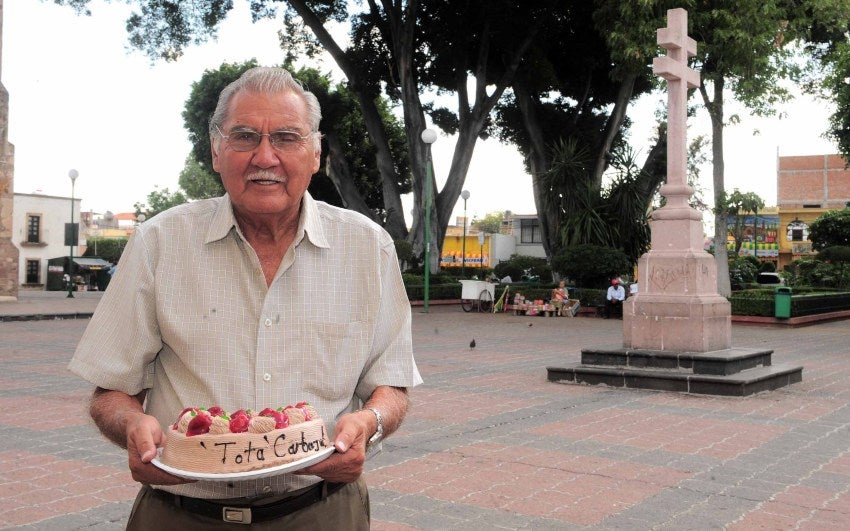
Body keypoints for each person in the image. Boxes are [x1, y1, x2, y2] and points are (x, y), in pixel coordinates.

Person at [68, 66, 422, 530]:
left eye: (287, 138)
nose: (265, 156)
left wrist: (371, 422)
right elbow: (109, 392)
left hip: (322, 512)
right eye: (245, 136)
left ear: (315, 153)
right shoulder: (159, 243)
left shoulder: (368, 247)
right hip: (180, 514)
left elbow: (392, 384)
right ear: (217, 151)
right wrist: (132, 427)